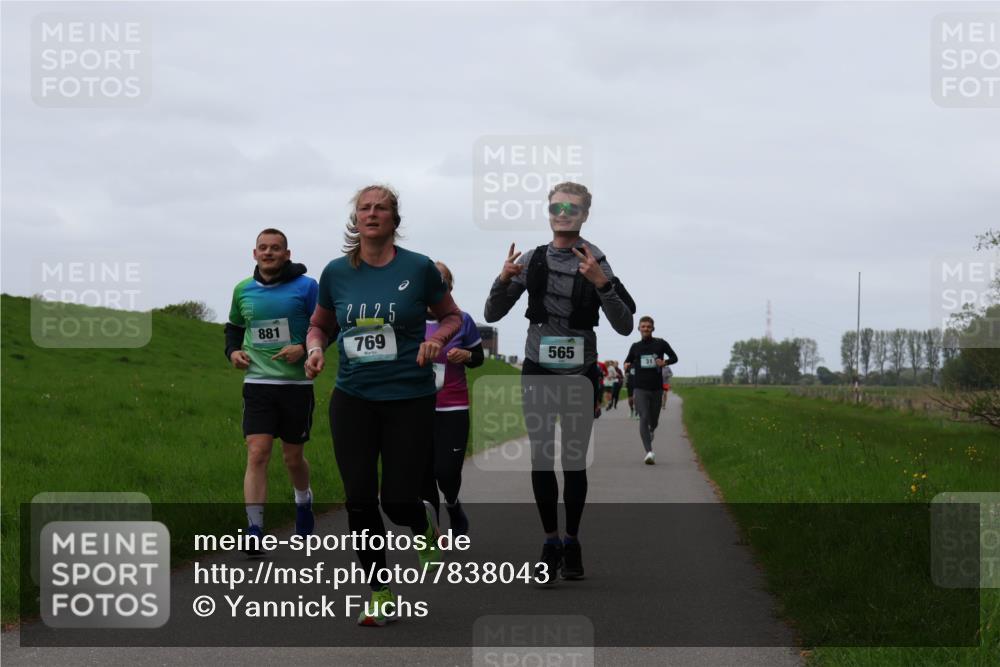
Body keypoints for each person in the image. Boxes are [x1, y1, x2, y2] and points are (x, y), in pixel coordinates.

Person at [304, 185, 462, 626]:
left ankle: (423, 523)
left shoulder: (419, 267)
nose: (371, 213)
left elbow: (451, 316)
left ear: (395, 219)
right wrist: (315, 348)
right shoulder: (336, 272)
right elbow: (321, 325)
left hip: (409, 398)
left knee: (396, 500)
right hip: (353, 398)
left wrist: (436, 339)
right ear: (355, 219)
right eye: (364, 208)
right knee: (358, 499)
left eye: (381, 208)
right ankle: (380, 593)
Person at [484, 181, 634, 584]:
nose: (563, 214)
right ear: (548, 212)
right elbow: (492, 314)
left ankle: (572, 540)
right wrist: (502, 279)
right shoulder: (532, 259)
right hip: (538, 366)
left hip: (580, 372)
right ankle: (550, 541)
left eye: (572, 208)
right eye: (557, 208)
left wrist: (602, 283)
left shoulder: (596, 259)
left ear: (585, 215)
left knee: (573, 460)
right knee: (541, 456)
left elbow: (625, 325)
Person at [225, 229, 318, 554]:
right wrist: (233, 352)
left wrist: (303, 349)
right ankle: (254, 529)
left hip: (296, 385)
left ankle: (303, 501)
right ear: (255, 254)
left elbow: (325, 326)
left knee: (293, 458)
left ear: (286, 254)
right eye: (263, 248)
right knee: (257, 453)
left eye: (275, 248)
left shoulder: (307, 287)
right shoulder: (243, 289)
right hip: (258, 383)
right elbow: (234, 328)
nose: (268, 253)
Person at [422, 261, 484, 536]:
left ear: (449, 287)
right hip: (417, 407)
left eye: (443, 281)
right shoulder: (410, 320)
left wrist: (467, 355)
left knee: (446, 473)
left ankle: (453, 503)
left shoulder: (462, 320)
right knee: (423, 473)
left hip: (453, 407)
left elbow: (478, 357)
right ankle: (432, 532)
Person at [623, 316, 679, 465]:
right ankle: (649, 452)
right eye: (643, 326)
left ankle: (651, 430)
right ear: (639, 329)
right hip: (640, 388)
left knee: (654, 420)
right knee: (644, 416)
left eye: (648, 326)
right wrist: (626, 365)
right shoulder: (635, 346)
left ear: (653, 328)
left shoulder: (660, 343)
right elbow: (627, 360)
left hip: (656, 388)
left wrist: (664, 362)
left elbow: (675, 357)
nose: (646, 329)